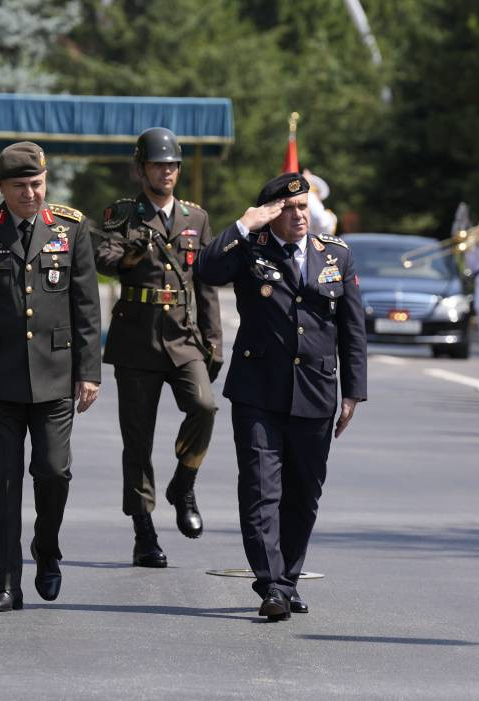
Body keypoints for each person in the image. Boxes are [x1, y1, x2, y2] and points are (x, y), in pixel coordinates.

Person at [194, 172, 368, 621]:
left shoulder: (336, 256)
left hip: (315, 391)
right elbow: (206, 270)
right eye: (288, 209)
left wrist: (353, 392)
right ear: (271, 212)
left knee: (304, 493)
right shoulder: (249, 248)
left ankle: (288, 579)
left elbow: (352, 329)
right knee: (259, 490)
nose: (299, 216)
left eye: (303, 207)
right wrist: (244, 223)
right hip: (258, 391)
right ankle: (270, 584)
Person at [0, 141, 101, 612]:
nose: (31, 194)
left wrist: (88, 372)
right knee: (4, 480)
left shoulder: (71, 229)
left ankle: (47, 548)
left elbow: (87, 307)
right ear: (2, 188)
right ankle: (7, 580)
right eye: (21, 187)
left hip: (55, 376)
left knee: (54, 472)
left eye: (37, 184)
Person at [95, 127, 222, 567]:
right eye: (156, 165)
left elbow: (204, 282)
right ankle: (144, 530)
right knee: (138, 441)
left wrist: (214, 341)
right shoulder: (123, 213)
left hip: (183, 336)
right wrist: (129, 255)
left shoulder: (196, 218)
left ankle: (183, 484)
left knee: (204, 407)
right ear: (140, 169)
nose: (165, 173)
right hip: (136, 338)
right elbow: (106, 259)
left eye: (171, 166)